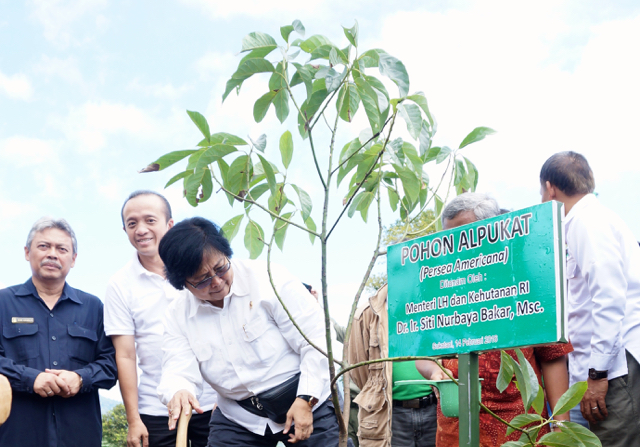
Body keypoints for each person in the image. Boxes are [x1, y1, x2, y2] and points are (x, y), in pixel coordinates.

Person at [156, 217, 339, 447]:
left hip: (307, 399)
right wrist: (179, 389)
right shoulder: (177, 314)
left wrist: (306, 398)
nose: (216, 282)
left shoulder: (269, 278)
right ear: (182, 283)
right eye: (202, 280)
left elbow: (317, 340)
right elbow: (177, 367)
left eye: (220, 268)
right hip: (240, 417)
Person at [416, 193, 573, 446]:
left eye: (465, 237)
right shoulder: (440, 292)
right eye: (449, 239)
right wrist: (435, 370)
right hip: (456, 432)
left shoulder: (527, 286)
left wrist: (561, 428)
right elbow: (422, 352)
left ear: (494, 233)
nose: (458, 248)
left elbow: (553, 357)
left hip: (520, 432)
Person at [539, 152, 640, 444]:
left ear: (550, 188)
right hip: (601, 370)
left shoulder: (587, 221)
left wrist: (597, 374)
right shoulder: (581, 222)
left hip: (615, 370)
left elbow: (608, 299)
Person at [104, 191, 217, 447]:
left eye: (150, 220)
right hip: (156, 408)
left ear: (170, 224)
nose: (141, 229)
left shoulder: (197, 266)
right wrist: (133, 419)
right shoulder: (119, 284)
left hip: (214, 401)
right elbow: (126, 355)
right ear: (125, 230)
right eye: (132, 223)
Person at [0, 217, 117, 446]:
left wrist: (81, 378)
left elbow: (111, 365)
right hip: (17, 434)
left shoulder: (93, 307)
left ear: (73, 259)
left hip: (80, 435)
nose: (52, 254)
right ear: (27, 252)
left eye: (62, 249)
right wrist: (30, 378)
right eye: (44, 246)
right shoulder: (3, 302)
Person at [349, 283, 437, 447]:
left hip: (434, 410)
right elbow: (358, 370)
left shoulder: (437, 303)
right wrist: (379, 392)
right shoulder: (367, 313)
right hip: (389, 414)